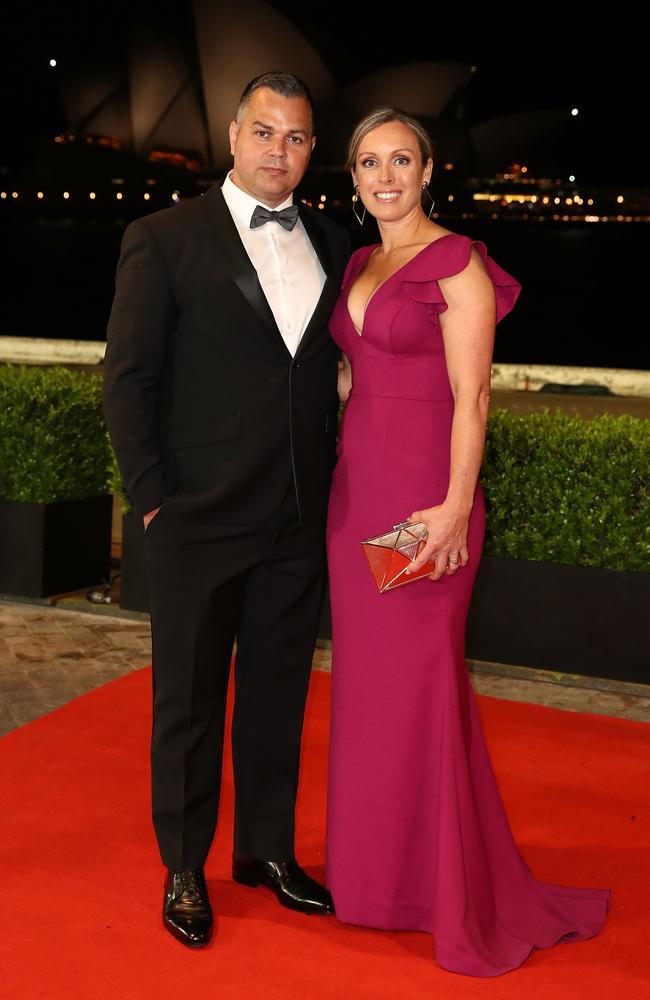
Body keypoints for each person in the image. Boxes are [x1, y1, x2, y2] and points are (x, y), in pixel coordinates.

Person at [325, 107, 611, 977]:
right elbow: (351, 375)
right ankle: (375, 882)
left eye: (400, 160)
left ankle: (439, 890)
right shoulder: (360, 262)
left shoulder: (461, 266)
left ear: (428, 170)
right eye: (370, 162)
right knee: (369, 694)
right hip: (355, 501)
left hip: (425, 503)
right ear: (354, 177)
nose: (385, 176)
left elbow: (473, 397)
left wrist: (453, 508)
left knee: (422, 687)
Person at [103, 72, 350, 948]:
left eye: (296, 138)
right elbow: (128, 379)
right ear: (233, 134)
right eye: (264, 132)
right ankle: (184, 866)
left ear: (312, 149)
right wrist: (153, 500)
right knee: (190, 701)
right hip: (198, 518)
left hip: (296, 518)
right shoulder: (162, 238)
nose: (278, 151)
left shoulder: (333, 237)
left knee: (278, 696)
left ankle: (267, 854)